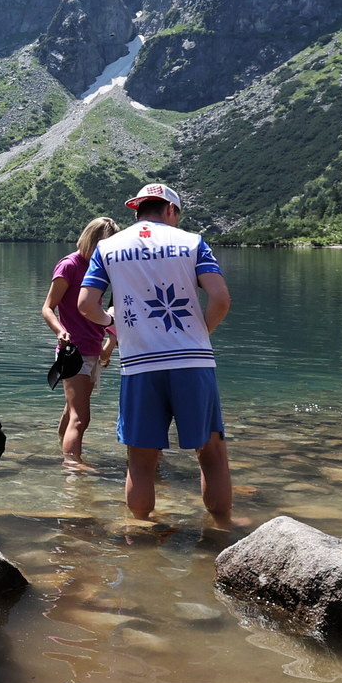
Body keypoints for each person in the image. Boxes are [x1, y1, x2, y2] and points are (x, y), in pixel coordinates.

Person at [76, 183, 233, 522]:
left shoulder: (108, 247)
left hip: (139, 365)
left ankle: (141, 534)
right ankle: (221, 531)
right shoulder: (193, 242)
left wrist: (113, 324)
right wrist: (201, 332)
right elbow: (221, 299)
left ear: (137, 210)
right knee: (211, 452)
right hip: (193, 361)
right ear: (170, 211)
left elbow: (86, 305)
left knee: (141, 459)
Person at [41, 216, 119, 467]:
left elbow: (108, 309)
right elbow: (47, 308)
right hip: (73, 351)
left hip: (93, 348)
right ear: (93, 240)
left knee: (72, 410)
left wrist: (109, 343)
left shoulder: (102, 267)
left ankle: (62, 453)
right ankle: (73, 468)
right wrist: (59, 330)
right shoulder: (70, 265)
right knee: (81, 418)